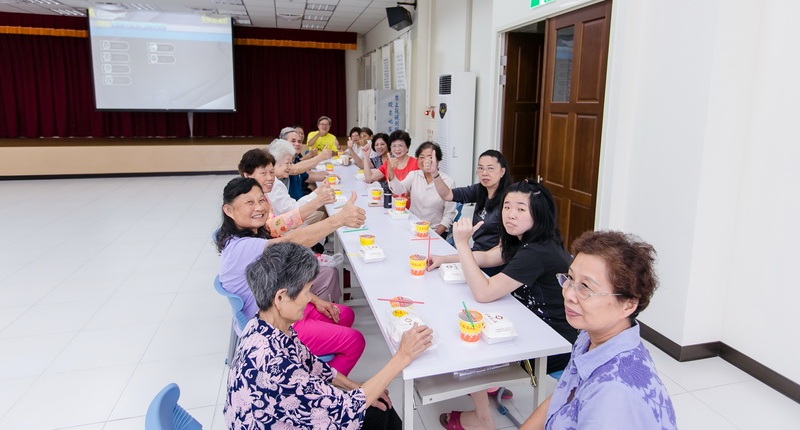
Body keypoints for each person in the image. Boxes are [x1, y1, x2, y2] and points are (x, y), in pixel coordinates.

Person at [225, 242, 434, 429]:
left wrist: (356, 386)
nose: (310, 299)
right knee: (378, 413)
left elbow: (314, 366)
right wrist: (404, 355)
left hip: (277, 415)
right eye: (307, 291)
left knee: (380, 406)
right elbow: (347, 411)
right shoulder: (275, 365)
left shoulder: (261, 325)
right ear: (280, 297)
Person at [430, 180, 578, 430]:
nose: (510, 214)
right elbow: (488, 256)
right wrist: (443, 258)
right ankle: (490, 384)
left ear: (539, 213)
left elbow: (483, 292)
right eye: (507, 206)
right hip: (531, 322)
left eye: (521, 209)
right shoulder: (525, 238)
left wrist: (463, 243)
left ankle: (482, 419)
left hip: (552, 344)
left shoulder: (537, 251)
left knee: (470, 343)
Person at [522, 230, 676, 429]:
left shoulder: (614, 395)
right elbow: (560, 397)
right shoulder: (589, 336)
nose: (569, 293)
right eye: (570, 278)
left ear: (628, 305)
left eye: (585, 286)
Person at [215, 176, 367, 375]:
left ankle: (309, 367)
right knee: (354, 340)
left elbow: (280, 275)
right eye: (249, 202)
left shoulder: (254, 234)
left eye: (261, 200)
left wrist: (315, 300)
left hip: (281, 307)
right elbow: (292, 241)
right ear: (229, 210)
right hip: (273, 326)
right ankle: (318, 393)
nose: (259, 207)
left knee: (345, 314)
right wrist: (339, 219)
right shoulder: (242, 246)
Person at [432, 149, 512, 276]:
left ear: (502, 171)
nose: (484, 173)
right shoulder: (480, 189)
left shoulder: (509, 202)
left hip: (494, 264)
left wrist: (451, 256)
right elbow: (447, 194)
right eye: (480, 168)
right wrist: (435, 174)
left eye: (490, 168)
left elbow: (501, 252)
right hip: (476, 254)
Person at [388, 141, 457, 236]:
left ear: (438, 160)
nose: (425, 160)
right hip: (412, 227)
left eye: (430, 157)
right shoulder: (414, 175)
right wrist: (391, 171)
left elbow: (449, 214)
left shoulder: (448, 181)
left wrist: (435, 235)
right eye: (421, 157)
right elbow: (398, 190)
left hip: (434, 231)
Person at [266, 139, 330, 225]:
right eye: (287, 163)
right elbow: (294, 210)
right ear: (275, 162)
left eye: (291, 163)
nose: (290, 167)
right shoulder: (274, 184)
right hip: (285, 225)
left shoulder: (276, 181)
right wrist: (317, 193)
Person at [280, 126, 330, 199]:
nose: (297, 144)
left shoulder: (295, 158)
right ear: (283, 143)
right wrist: (320, 157)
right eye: (293, 141)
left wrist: (328, 177)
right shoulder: (280, 159)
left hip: (299, 202)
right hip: (291, 207)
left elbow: (306, 175)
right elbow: (294, 170)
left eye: (299, 142)